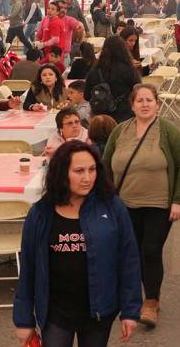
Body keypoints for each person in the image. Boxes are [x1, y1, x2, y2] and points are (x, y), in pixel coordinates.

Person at [13, 140, 141, 347]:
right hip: (55, 313)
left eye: (92, 170)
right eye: (79, 171)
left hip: (98, 313)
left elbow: (129, 261)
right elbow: (28, 268)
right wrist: (23, 319)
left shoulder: (113, 207)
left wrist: (130, 311)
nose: (87, 178)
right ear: (62, 173)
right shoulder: (40, 214)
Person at [102, 84, 180, 328]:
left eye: (149, 100)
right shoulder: (120, 130)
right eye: (139, 100)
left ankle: (151, 301)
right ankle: (132, 298)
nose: (144, 104)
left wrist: (178, 200)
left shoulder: (168, 131)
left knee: (150, 251)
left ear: (157, 104)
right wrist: (106, 199)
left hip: (159, 204)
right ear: (132, 105)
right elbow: (106, 164)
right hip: (124, 204)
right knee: (130, 253)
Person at [84, 36, 141, 123]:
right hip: (125, 116)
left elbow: (87, 96)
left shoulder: (95, 70)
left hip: (101, 118)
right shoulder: (129, 70)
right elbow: (138, 90)